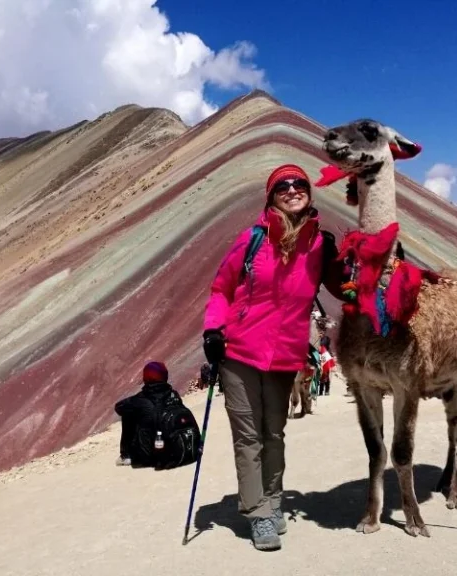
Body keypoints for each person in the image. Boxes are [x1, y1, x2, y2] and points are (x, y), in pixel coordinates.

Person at [201, 163, 345, 551]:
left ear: (310, 193)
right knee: (249, 437)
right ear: (271, 195)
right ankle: (258, 513)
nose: (293, 189)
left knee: (274, 435)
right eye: (283, 185)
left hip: (285, 355)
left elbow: (345, 287)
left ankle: (274, 500)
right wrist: (213, 329)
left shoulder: (321, 244)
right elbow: (221, 289)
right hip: (240, 351)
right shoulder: (252, 239)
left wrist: (381, 269)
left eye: (300, 183)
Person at [114, 361, 200, 469]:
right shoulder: (173, 395)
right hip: (181, 450)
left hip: (151, 456)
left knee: (128, 413)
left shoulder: (140, 400)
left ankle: (126, 455)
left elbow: (118, 407)